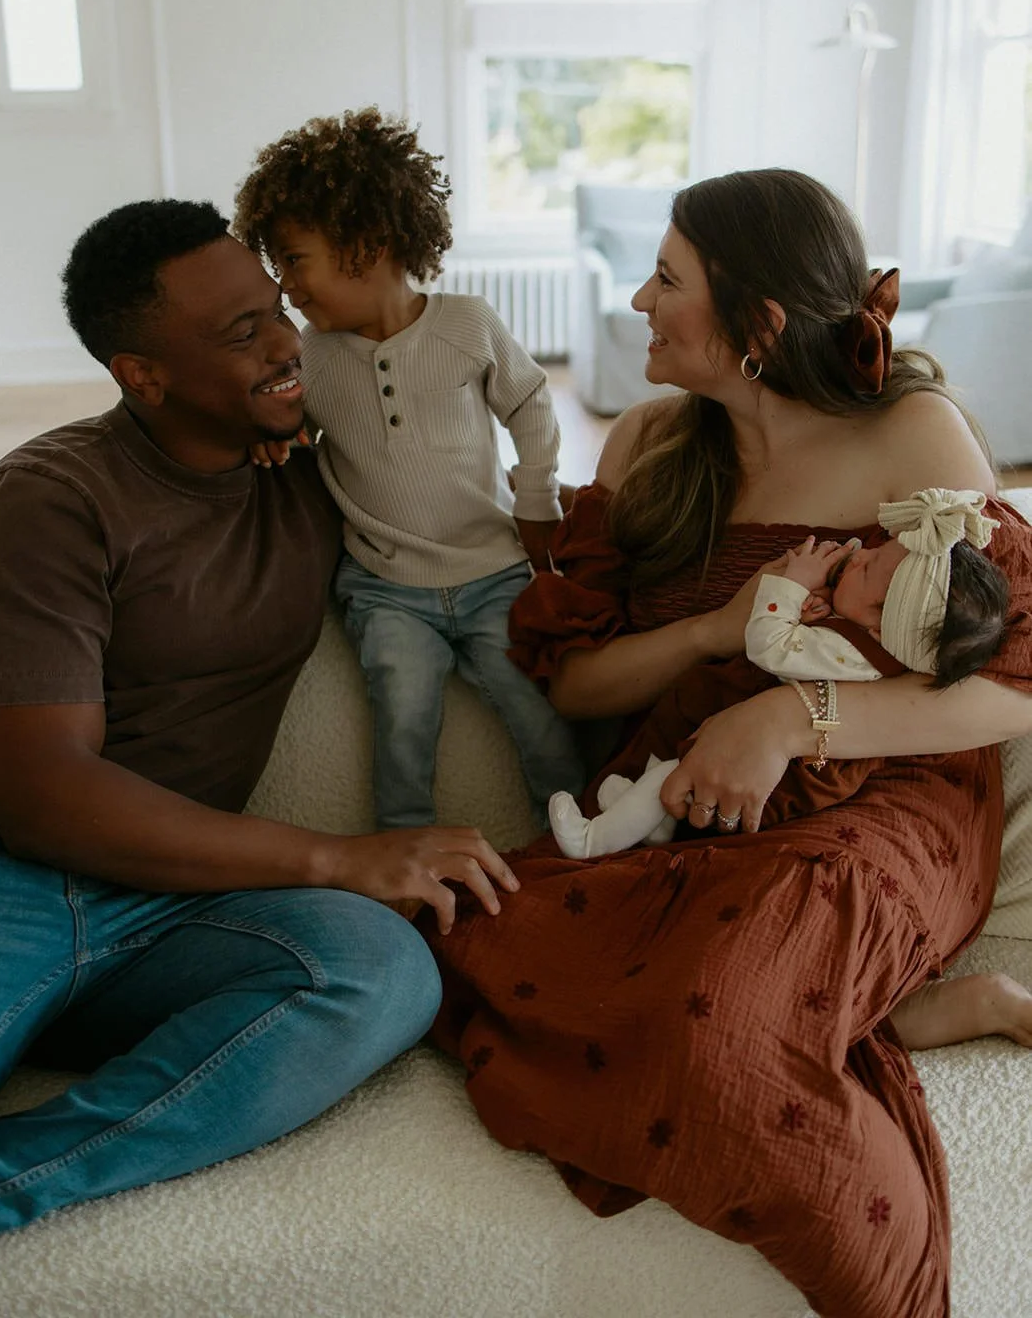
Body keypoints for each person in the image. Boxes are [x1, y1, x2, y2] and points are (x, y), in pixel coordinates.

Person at [426, 169, 1032, 1318]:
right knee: (462, 939)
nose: (639, 302)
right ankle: (905, 1013)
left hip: (884, 791)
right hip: (685, 797)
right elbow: (576, 680)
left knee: (715, 1037)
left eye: (666, 279)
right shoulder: (648, 443)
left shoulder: (912, 432)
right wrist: (714, 630)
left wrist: (788, 718)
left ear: (757, 322)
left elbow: (1013, 682)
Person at [0, 199, 517, 1244]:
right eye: (240, 333)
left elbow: (456, 465)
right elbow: (43, 799)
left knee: (379, 974)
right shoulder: (49, 500)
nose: (285, 344)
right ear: (142, 375)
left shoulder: (313, 472)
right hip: (0, 878)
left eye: (275, 309)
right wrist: (337, 858)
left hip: (177, 907)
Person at [232, 107, 584, 831]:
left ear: (369, 243)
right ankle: (405, 846)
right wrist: (270, 439)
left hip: (492, 569)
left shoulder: (467, 324)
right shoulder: (312, 358)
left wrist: (536, 497)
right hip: (384, 585)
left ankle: (576, 832)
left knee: (537, 711)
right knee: (402, 717)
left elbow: (529, 404)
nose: (286, 287)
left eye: (294, 260)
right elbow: (290, 430)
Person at [548, 490, 1012, 857]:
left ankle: (593, 838)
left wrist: (790, 587)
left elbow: (769, 645)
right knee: (675, 765)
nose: (860, 554)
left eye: (868, 568)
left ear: (880, 626)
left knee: (678, 774)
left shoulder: (854, 654)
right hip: (773, 740)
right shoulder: (876, 641)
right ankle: (653, 823)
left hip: (786, 773)